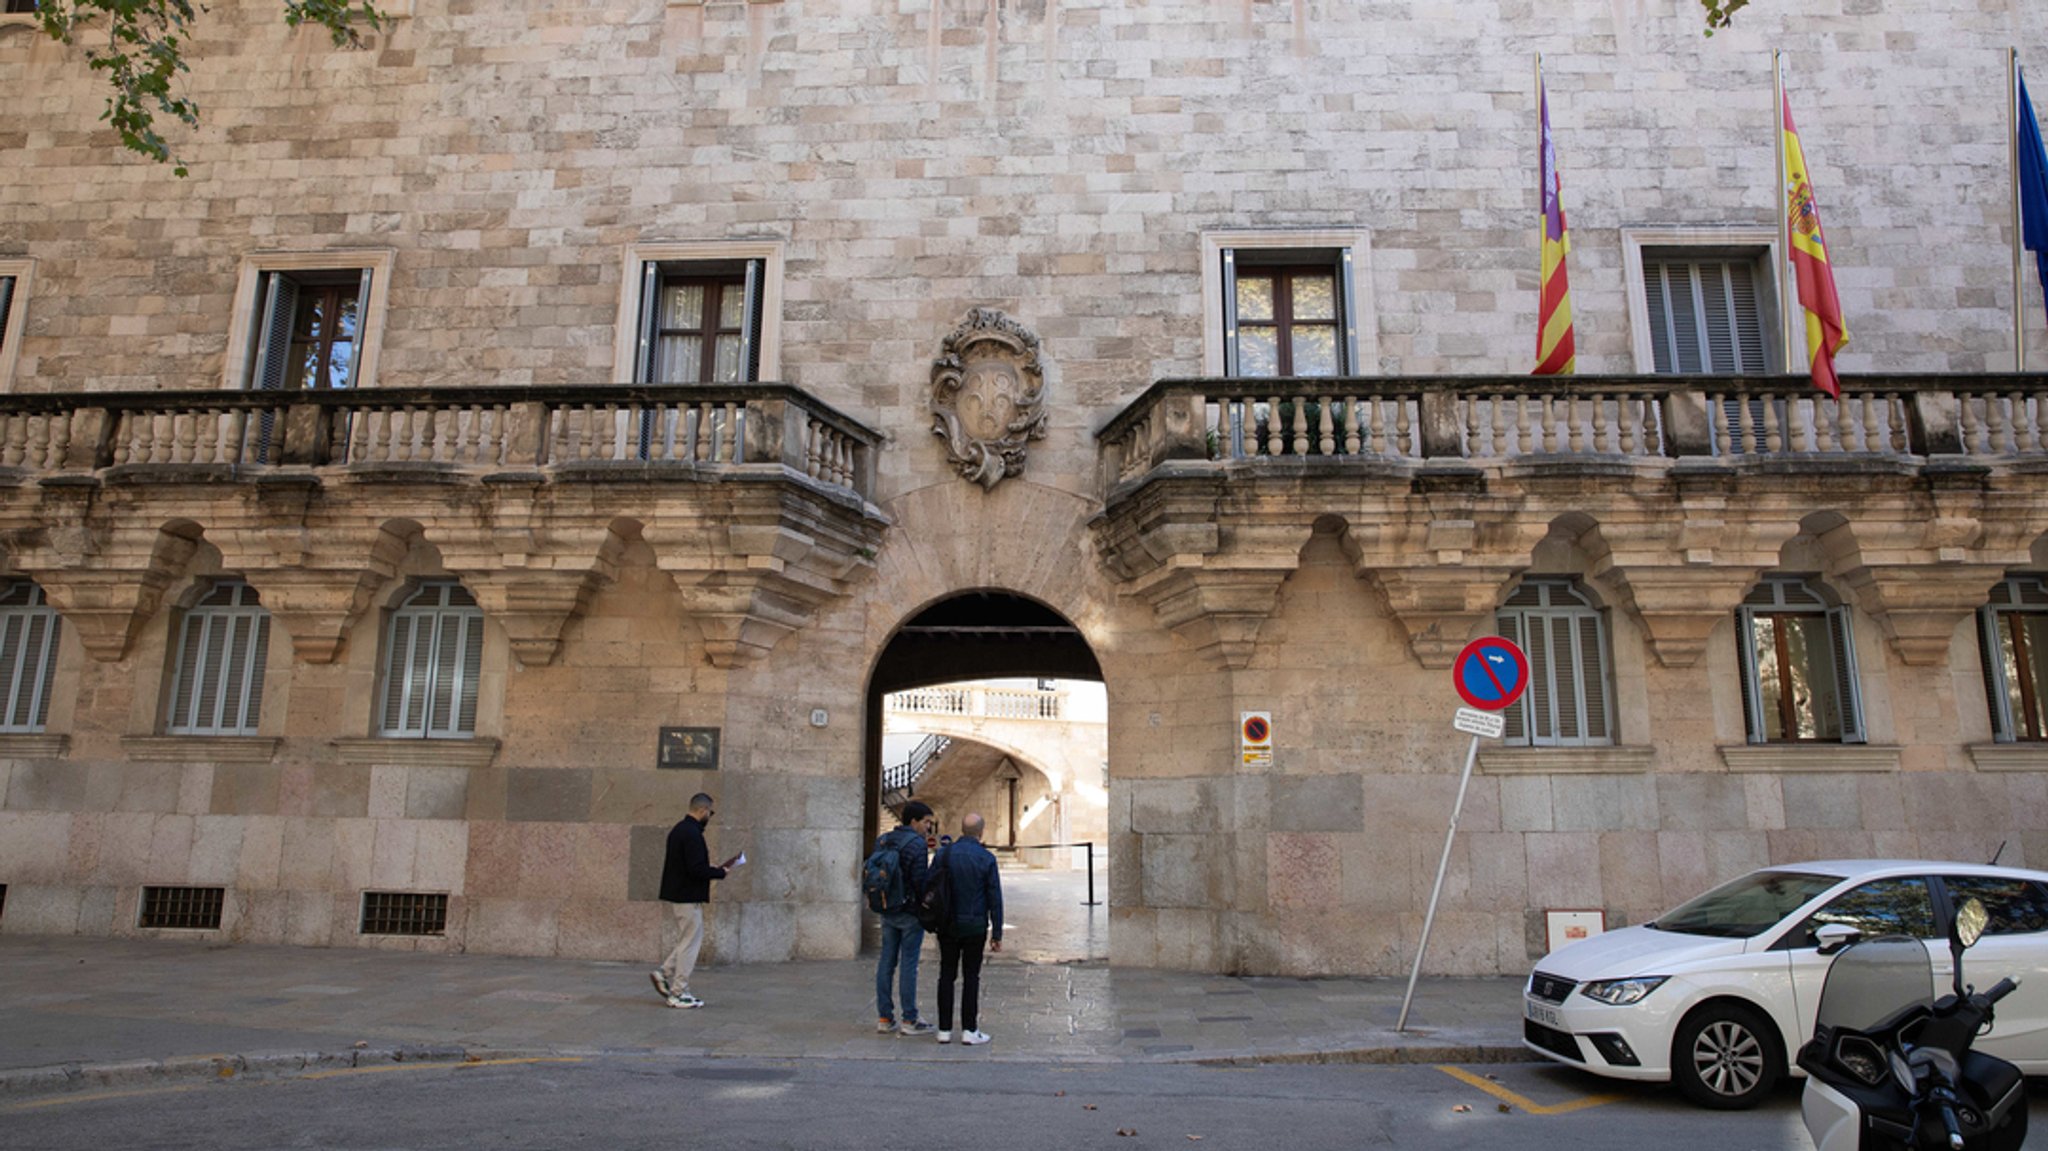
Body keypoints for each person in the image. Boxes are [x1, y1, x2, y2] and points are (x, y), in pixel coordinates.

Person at [652, 793, 740, 1009]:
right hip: (687, 896)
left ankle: (663, 973)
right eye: (710, 812)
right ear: (702, 810)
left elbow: (690, 865)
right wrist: (720, 872)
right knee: (690, 944)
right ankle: (678, 991)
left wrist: (712, 868)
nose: (710, 816)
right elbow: (695, 869)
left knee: (687, 940)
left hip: (681, 894)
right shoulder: (692, 833)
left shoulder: (681, 829)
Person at [931, 812, 1003, 1046]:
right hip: (974, 924)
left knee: (946, 975)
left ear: (962, 830)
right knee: (971, 976)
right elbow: (994, 896)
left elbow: (930, 885)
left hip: (947, 923)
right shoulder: (986, 858)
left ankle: (944, 1029)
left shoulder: (943, 854)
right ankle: (969, 1029)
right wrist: (997, 932)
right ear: (981, 832)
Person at [872, 800, 936, 1036]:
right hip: (909, 912)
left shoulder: (884, 839)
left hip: (888, 909)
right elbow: (920, 881)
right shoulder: (916, 844)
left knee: (886, 962)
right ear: (914, 821)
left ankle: (884, 1016)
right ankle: (910, 1019)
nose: (928, 827)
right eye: (926, 822)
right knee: (909, 964)